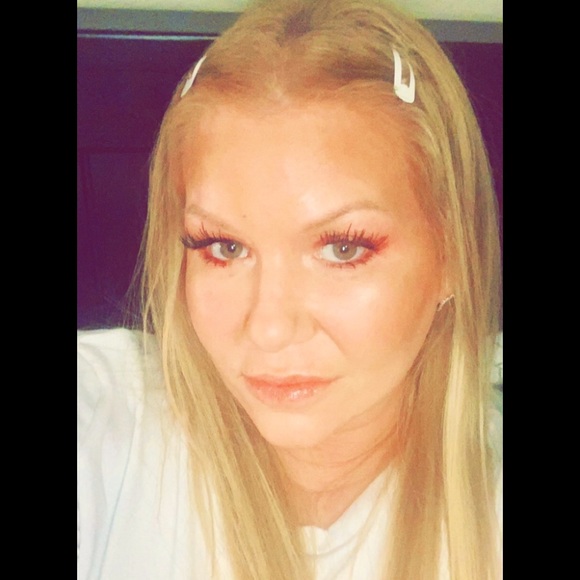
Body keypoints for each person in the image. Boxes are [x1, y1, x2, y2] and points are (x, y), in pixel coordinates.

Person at [77, 0, 503, 578]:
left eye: (343, 248)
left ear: (452, 254)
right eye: (223, 247)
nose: (270, 328)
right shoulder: (107, 425)